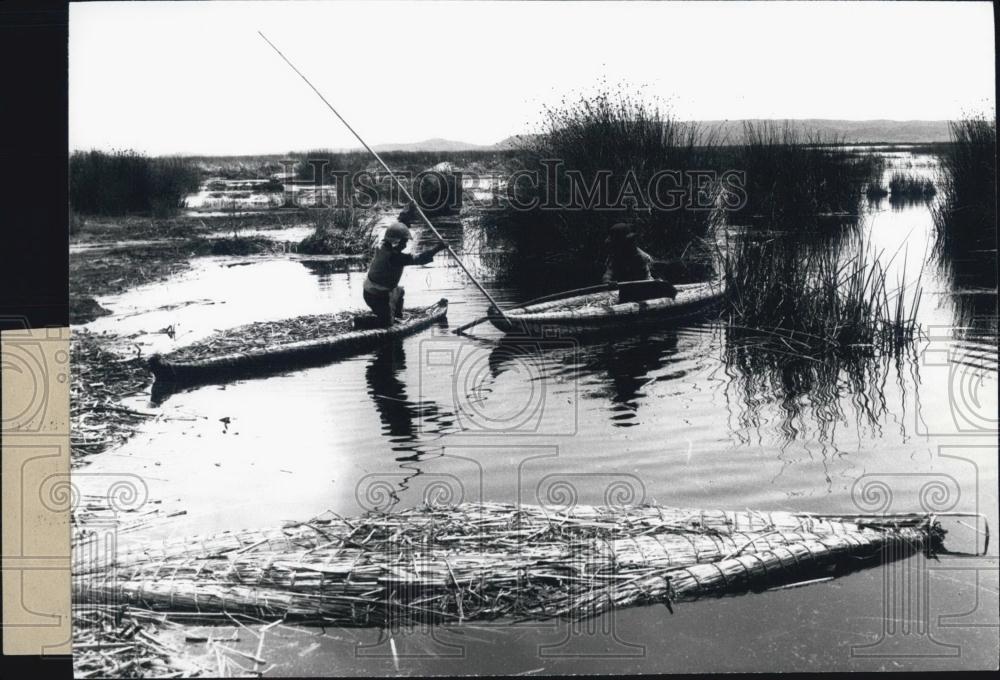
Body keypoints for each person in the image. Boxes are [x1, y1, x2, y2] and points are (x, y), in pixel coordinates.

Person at [363, 221, 446, 326]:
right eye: (404, 242)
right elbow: (419, 259)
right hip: (375, 295)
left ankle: (396, 316)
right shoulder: (395, 258)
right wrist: (438, 248)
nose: (405, 245)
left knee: (399, 291)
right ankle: (360, 322)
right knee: (386, 323)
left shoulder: (383, 247)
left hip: (373, 291)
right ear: (396, 242)